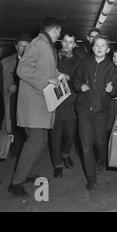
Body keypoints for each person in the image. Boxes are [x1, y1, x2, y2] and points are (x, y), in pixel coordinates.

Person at [8, 17, 63, 197]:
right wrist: (46, 80)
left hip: (41, 104)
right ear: (54, 30)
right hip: (33, 105)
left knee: (41, 142)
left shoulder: (46, 46)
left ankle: (29, 173)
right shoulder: (38, 43)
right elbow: (22, 70)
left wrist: (60, 75)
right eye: (59, 33)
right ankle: (16, 182)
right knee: (36, 141)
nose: (59, 36)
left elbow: (45, 70)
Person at [73, 34, 117, 190]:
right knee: (86, 146)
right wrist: (80, 86)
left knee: (100, 142)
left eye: (102, 46)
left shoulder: (111, 67)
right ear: (92, 48)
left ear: (107, 49)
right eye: (96, 45)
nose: (99, 48)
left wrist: (112, 90)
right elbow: (75, 80)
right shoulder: (84, 62)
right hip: (84, 109)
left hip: (100, 112)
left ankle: (101, 160)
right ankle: (91, 178)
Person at [50, 33, 80, 178]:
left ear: (74, 45)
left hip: (71, 102)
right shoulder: (52, 56)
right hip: (54, 102)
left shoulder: (78, 60)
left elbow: (79, 79)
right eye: (65, 41)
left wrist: (69, 77)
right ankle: (58, 164)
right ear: (61, 42)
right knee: (55, 136)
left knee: (70, 134)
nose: (67, 45)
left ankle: (65, 153)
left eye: (71, 42)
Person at [1, 34, 30, 157]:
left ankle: (23, 149)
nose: (23, 48)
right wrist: (8, 88)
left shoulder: (34, 63)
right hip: (12, 99)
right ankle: (14, 148)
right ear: (16, 47)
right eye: (21, 46)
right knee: (12, 124)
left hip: (28, 100)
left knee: (25, 126)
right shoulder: (4, 63)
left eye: (26, 46)